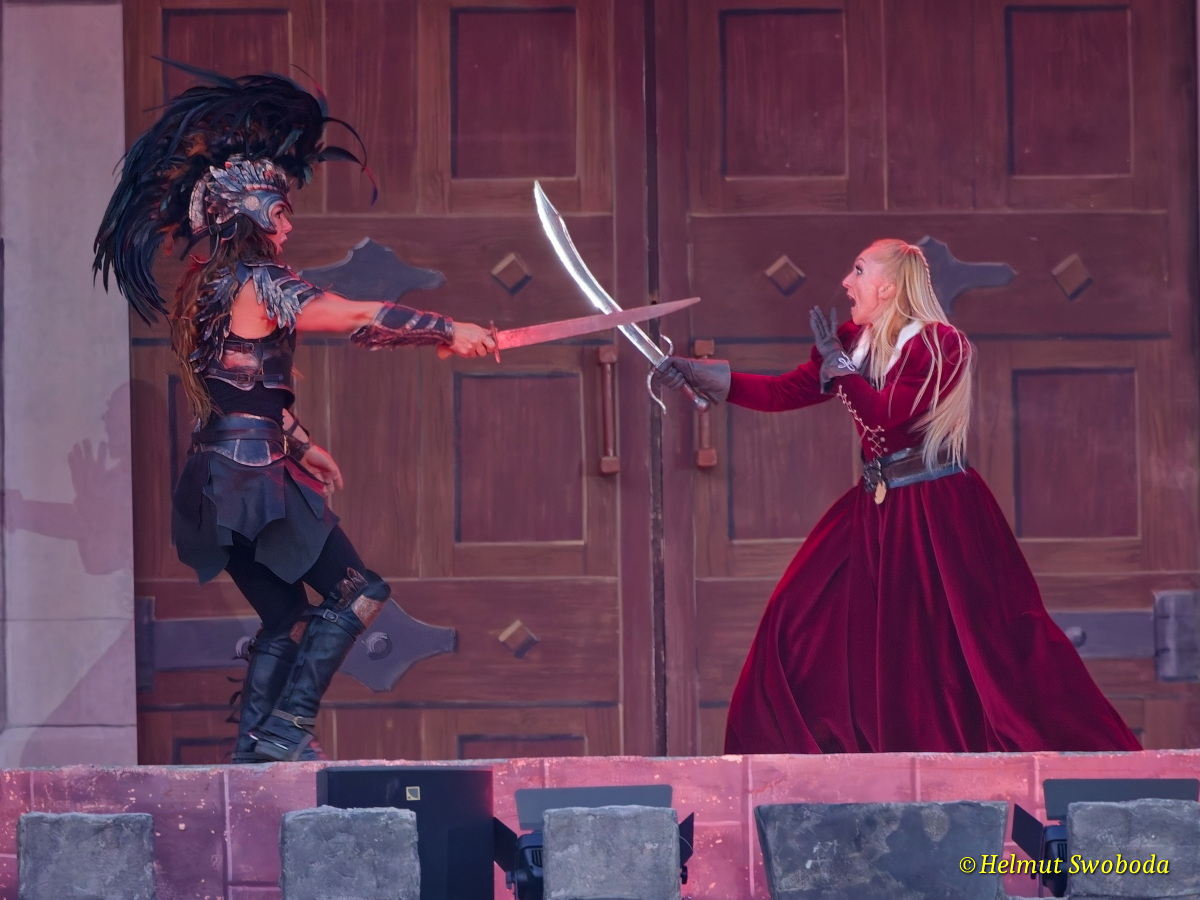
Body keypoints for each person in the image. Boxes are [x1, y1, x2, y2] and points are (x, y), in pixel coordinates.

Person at [94, 64, 495, 762]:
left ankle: (254, 748)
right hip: (254, 478)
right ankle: (287, 727)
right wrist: (447, 327)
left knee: (285, 615)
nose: (288, 223)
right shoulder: (259, 280)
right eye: (279, 212)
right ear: (250, 213)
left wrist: (302, 443)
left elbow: (237, 385)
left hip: (215, 477)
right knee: (358, 591)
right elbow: (352, 314)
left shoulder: (205, 285)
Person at [655, 239, 1141, 753]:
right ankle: (818, 765)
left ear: (887, 286)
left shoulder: (941, 345)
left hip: (937, 511)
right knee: (796, 618)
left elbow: (887, 415)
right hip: (876, 505)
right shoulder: (853, 342)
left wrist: (839, 367)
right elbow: (784, 392)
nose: (846, 282)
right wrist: (708, 377)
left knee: (960, 651)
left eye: (858, 270)